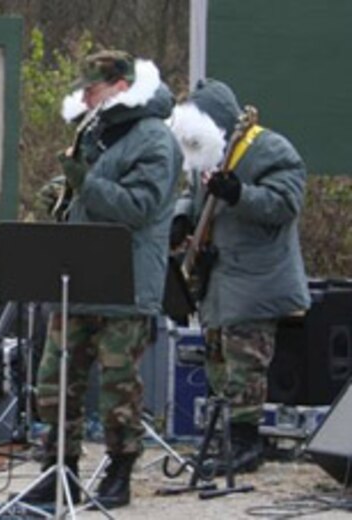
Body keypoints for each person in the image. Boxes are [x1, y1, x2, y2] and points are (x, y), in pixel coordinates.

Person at [25, 50, 182, 510]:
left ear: (122, 86)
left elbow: (137, 207)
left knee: (118, 385)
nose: (85, 95)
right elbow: (91, 189)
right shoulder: (98, 132)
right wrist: (63, 190)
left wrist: (85, 181)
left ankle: (120, 470)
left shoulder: (155, 139)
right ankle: (59, 471)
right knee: (55, 379)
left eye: (94, 86)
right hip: (78, 274)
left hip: (126, 280)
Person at [168, 79, 309, 474]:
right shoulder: (207, 152)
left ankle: (247, 444)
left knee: (246, 362)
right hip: (218, 277)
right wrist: (182, 218)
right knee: (216, 358)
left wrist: (239, 194)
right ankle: (228, 436)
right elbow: (193, 192)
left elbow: (285, 203)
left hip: (256, 277)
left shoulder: (271, 149)